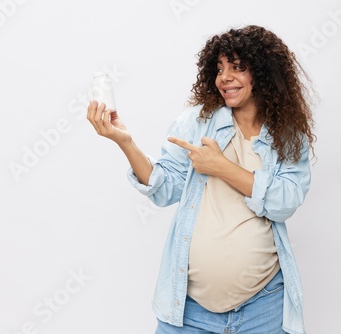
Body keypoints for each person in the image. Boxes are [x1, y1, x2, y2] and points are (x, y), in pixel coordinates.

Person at [87, 25, 315, 334]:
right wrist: (124, 142)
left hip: (264, 308)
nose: (224, 77)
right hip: (189, 312)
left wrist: (221, 166)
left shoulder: (287, 135)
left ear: (263, 73)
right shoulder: (196, 122)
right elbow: (165, 188)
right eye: (220, 68)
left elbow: (284, 202)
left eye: (238, 67)